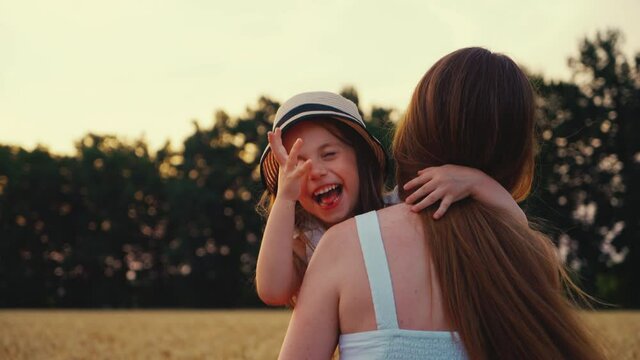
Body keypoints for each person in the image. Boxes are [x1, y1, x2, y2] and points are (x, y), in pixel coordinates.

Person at [278, 48, 605, 359]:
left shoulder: (342, 247)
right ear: (517, 153)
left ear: (414, 129)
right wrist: (481, 184)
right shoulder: (531, 255)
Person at [256, 91, 526, 306]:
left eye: (329, 155)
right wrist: (284, 199)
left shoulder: (405, 208)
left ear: (362, 161)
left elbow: (518, 233)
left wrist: (477, 182)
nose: (315, 171)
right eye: (296, 166)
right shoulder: (310, 241)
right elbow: (272, 290)